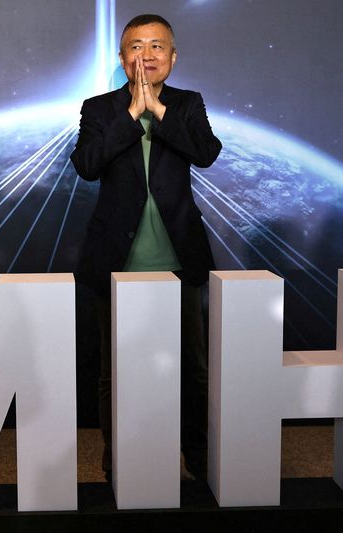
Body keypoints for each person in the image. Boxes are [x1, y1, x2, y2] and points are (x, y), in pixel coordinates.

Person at [69, 14, 221, 481]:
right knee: (114, 375)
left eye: (158, 47)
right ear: (122, 57)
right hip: (116, 261)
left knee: (192, 372)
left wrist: (159, 110)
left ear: (172, 58)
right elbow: (87, 166)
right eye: (137, 46)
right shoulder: (99, 109)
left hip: (177, 259)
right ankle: (118, 466)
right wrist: (132, 113)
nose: (147, 55)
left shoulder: (187, 104)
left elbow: (206, 153)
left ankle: (198, 462)